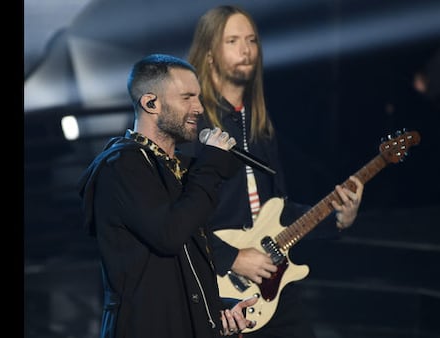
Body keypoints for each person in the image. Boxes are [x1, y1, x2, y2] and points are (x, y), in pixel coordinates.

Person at [183, 6, 364, 338]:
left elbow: (281, 209)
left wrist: (337, 219)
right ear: (209, 55)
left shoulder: (260, 124)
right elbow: (173, 216)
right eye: (233, 41)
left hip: (270, 281)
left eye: (251, 40)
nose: (246, 49)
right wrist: (231, 258)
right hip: (216, 286)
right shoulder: (193, 125)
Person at [77, 53, 260, 338]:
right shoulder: (122, 166)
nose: (199, 108)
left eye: (198, 97)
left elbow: (178, 272)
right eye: (187, 97)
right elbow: (169, 235)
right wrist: (209, 167)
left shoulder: (177, 169)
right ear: (151, 103)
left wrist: (216, 310)